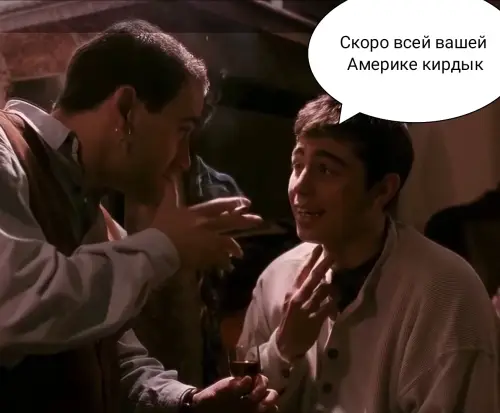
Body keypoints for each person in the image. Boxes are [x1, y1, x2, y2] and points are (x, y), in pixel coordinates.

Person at [0, 20, 278, 412]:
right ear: (126, 109)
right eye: (182, 130)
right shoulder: (5, 149)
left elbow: (115, 359)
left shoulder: (93, 214)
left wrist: (189, 401)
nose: (184, 159)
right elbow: (16, 302)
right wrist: (165, 246)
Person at [238, 94, 499, 413]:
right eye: (297, 164)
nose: (300, 187)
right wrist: (282, 349)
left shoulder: (447, 293)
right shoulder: (276, 279)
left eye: (325, 170)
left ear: (383, 189)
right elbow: (236, 400)